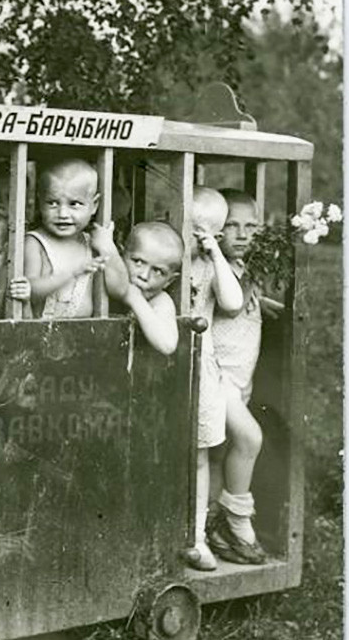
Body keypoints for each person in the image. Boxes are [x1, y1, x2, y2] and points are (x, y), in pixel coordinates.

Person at [207, 189, 280, 565]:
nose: (241, 233)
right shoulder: (217, 268)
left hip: (240, 378)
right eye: (231, 225)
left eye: (250, 226)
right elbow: (230, 306)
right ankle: (238, 519)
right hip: (217, 376)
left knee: (222, 450)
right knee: (249, 438)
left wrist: (270, 304)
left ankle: (212, 523)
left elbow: (249, 304)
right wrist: (254, 280)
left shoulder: (245, 269)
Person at [183, 186, 243, 571]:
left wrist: (215, 253)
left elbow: (233, 304)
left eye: (204, 231)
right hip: (163, 362)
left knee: (199, 454)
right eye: (189, 227)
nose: (194, 237)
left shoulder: (210, 265)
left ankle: (197, 536)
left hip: (198, 368)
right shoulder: (164, 256)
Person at [24, 157, 122, 319]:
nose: (63, 214)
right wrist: (72, 273)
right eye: (53, 203)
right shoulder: (35, 242)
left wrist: (108, 247)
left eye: (74, 204)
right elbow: (30, 291)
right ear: (40, 203)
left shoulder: (92, 242)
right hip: (41, 335)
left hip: (86, 334)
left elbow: (119, 290)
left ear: (94, 205)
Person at [104, 221, 183, 355]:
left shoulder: (159, 300)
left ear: (169, 281)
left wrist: (134, 298)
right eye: (138, 262)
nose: (144, 276)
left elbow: (167, 345)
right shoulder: (103, 281)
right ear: (121, 255)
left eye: (158, 271)